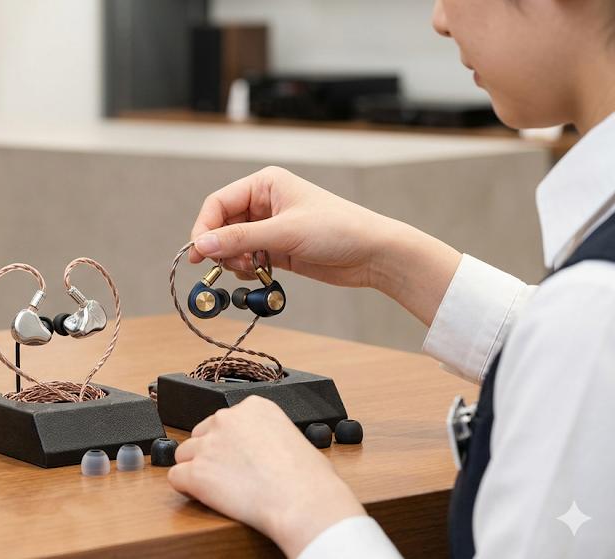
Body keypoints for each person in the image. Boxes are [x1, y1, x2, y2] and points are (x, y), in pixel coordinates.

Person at [166, 0, 615, 557]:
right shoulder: (588, 315)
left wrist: (302, 504)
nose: (440, 19)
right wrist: (386, 259)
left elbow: (586, 340)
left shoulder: (593, 314)